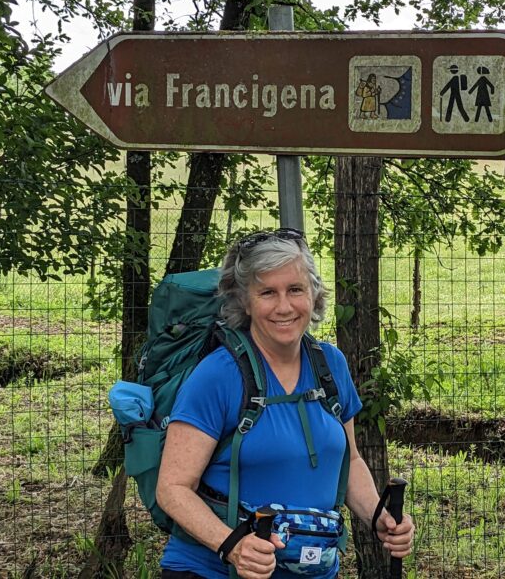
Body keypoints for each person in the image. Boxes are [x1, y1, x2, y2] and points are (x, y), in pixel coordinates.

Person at [156, 228, 415, 579]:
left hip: (312, 569)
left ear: (314, 294)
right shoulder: (218, 375)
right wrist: (233, 546)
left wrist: (377, 516)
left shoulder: (330, 365)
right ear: (245, 301)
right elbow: (172, 488)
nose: (284, 306)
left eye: (295, 289)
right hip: (215, 571)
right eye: (267, 292)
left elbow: (349, 460)